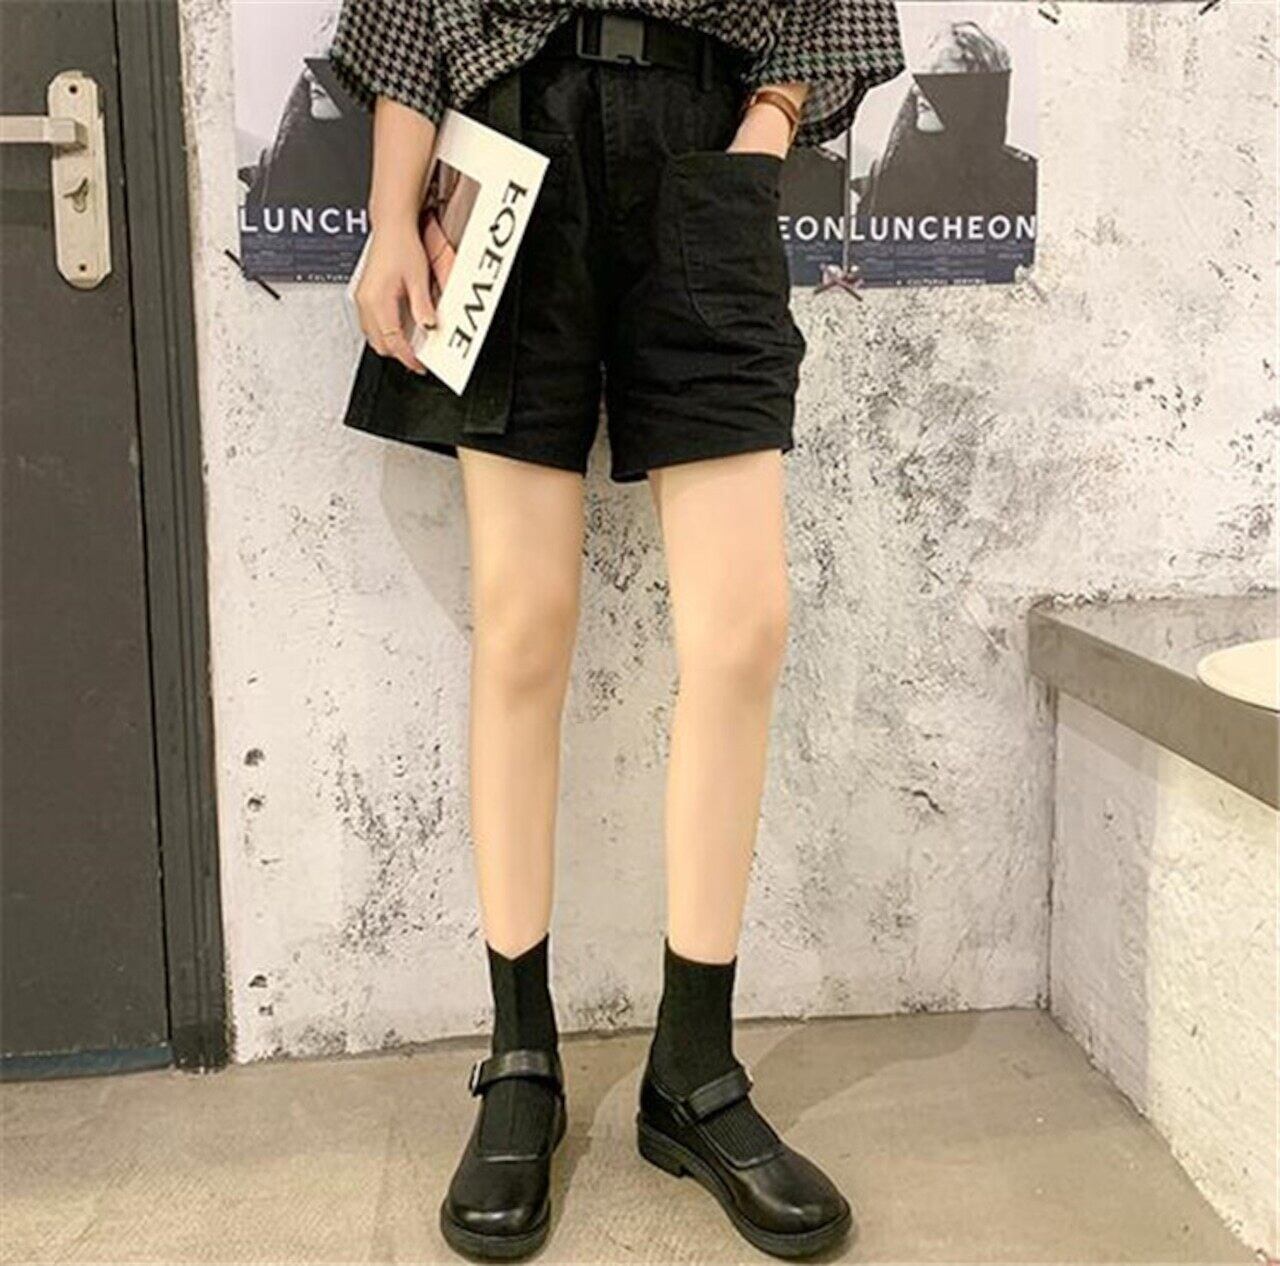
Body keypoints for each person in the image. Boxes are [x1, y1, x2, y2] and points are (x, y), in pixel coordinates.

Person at [330, 0, 904, 1258]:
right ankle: (520, 1059)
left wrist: (761, 132)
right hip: (507, 141)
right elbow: (406, 14)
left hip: (705, 146)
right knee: (522, 624)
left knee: (743, 628)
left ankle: (691, 1070)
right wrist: (387, 216)